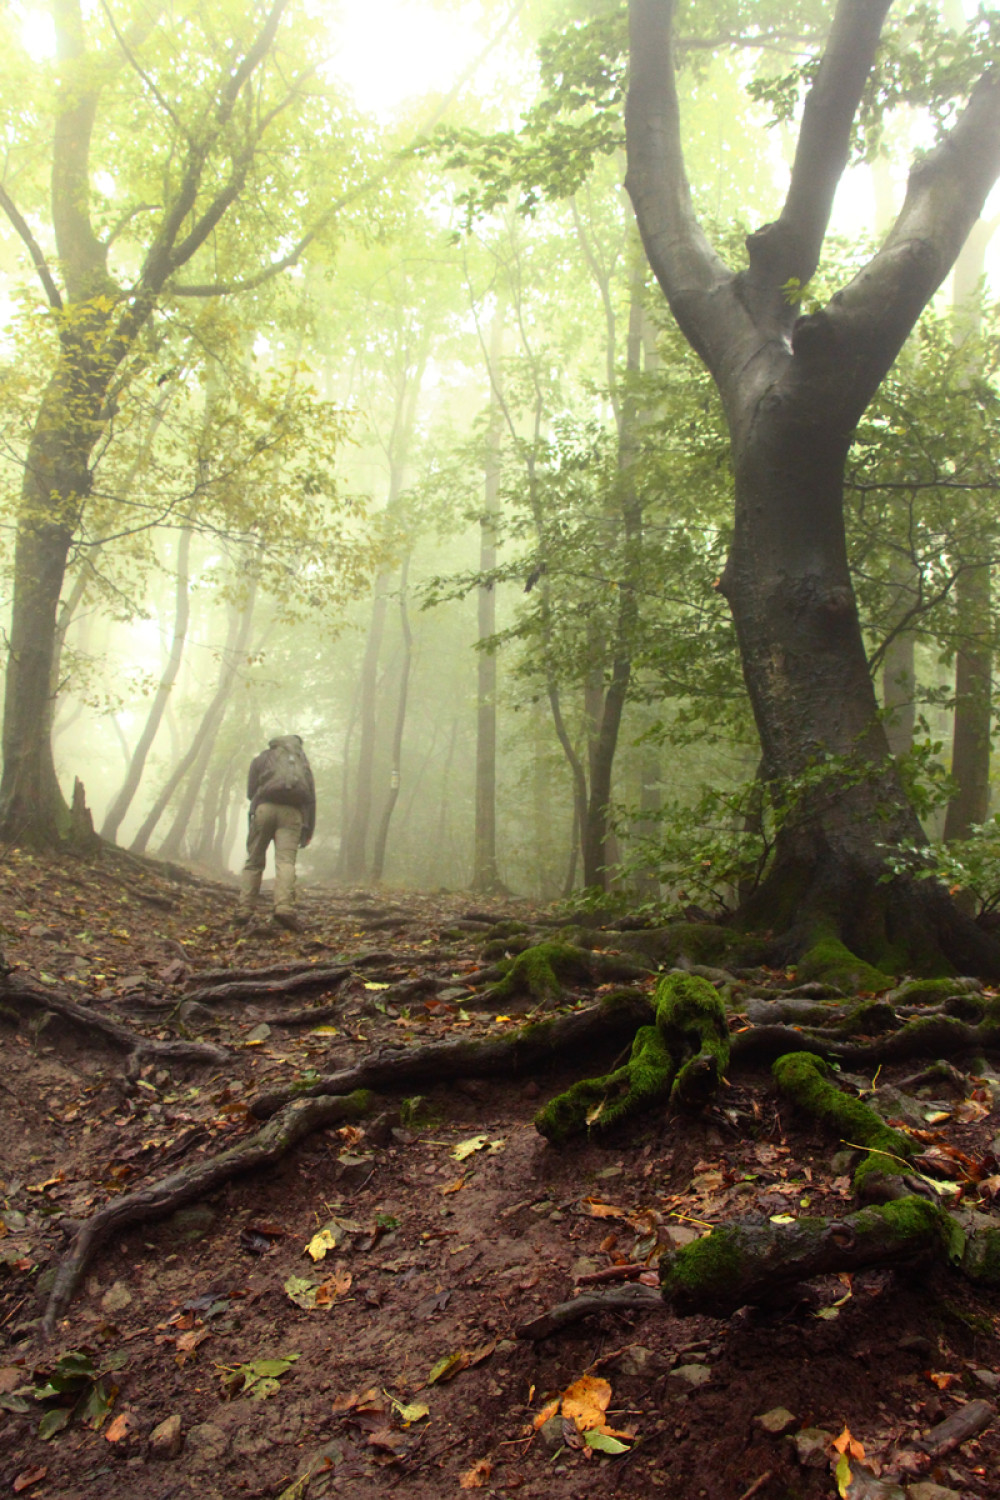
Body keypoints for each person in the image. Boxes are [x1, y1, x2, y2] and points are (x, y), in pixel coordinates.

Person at [235, 734, 316, 931]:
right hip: (292, 813)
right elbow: (310, 799)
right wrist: (308, 830)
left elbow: (250, 791)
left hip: (265, 809)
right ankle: (284, 907)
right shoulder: (302, 763)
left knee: (254, 861)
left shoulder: (262, 758)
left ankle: (245, 909)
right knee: (286, 861)